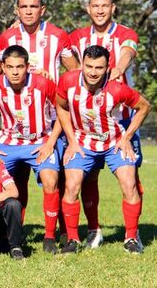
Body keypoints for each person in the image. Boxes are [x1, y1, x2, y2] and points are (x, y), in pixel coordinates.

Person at [55, 45, 151, 254]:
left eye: (99, 67)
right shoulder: (68, 81)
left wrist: (126, 136)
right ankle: (72, 240)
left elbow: (144, 107)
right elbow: (60, 107)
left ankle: (132, 238)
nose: (92, 72)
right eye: (88, 66)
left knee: (129, 185)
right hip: (82, 143)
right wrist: (71, 140)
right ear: (82, 64)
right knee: (71, 186)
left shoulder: (117, 89)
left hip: (114, 142)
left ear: (108, 68)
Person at [68, 0, 142, 248]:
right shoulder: (76, 37)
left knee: (130, 178)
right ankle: (94, 229)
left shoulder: (125, 33)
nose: (100, 10)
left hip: (120, 121)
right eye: (95, 6)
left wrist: (118, 69)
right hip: (87, 122)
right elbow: (68, 62)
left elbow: (128, 51)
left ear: (113, 8)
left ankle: (133, 233)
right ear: (88, 8)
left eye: (105, 6)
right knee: (88, 177)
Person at [0, 45, 62, 254]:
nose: (15, 72)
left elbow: (62, 111)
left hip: (39, 141)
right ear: (3, 68)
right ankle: (2, 234)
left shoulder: (43, 84)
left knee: (51, 181)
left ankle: (50, 236)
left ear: (27, 67)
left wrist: (51, 142)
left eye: (19, 67)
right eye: (10, 67)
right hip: (9, 143)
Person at [0, 0, 79, 82]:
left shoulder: (58, 36)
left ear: (42, 10)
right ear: (18, 11)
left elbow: (75, 71)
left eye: (33, 6)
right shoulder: (7, 37)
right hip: (17, 96)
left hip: (50, 96)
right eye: (24, 7)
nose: (28, 12)